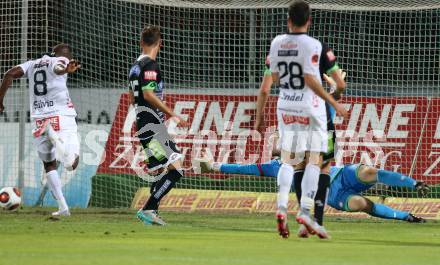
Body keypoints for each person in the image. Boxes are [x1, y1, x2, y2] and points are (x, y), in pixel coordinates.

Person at [267, 0, 347, 237]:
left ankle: (281, 207)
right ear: (309, 20)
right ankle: (304, 211)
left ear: (288, 20)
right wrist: (334, 98)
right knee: (315, 159)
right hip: (310, 107)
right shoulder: (315, 45)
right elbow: (317, 80)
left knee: (288, 160)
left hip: (285, 104)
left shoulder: (276, 42)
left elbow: (276, 78)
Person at [198, 156, 428, 238]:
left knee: (369, 171)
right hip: (333, 194)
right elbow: (243, 168)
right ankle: (407, 217)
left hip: (341, 174)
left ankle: (414, 183)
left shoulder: (308, 138)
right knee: (362, 204)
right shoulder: (277, 166)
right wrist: (214, 167)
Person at [0, 43, 81, 216]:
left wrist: (0, 100)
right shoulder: (59, 60)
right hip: (61, 115)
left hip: (38, 118)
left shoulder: (31, 64)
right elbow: (59, 68)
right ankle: (54, 137)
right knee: (71, 164)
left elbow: (9, 75)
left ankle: (63, 207)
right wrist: (66, 69)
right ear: (62, 56)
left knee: (49, 164)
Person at [128, 26, 189, 226]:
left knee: (167, 168)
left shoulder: (135, 67)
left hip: (144, 123)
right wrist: (173, 114)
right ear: (160, 43)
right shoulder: (151, 65)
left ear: (141, 42)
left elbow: (132, 99)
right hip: (152, 126)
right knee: (177, 169)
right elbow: (148, 94)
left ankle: (151, 211)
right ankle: (149, 209)